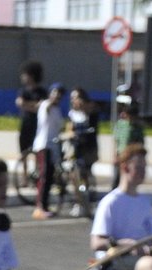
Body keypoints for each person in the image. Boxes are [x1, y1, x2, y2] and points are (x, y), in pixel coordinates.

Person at [32, 82, 64, 219]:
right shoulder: (46, 105)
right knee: (44, 177)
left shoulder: (58, 109)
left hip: (53, 146)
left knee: (50, 177)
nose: (57, 96)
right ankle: (39, 207)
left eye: (60, 93)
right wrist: (49, 101)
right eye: (55, 92)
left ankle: (44, 205)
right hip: (44, 145)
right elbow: (46, 109)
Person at [65, 89, 97, 216]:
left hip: (87, 150)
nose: (74, 101)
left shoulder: (89, 114)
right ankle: (78, 202)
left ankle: (87, 203)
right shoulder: (72, 114)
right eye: (72, 98)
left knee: (84, 176)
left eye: (76, 98)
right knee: (74, 177)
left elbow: (93, 132)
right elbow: (68, 129)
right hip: (75, 149)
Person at [16, 62, 44, 181]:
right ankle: (25, 175)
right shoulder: (23, 91)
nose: (23, 77)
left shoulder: (41, 92)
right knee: (24, 151)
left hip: (37, 125)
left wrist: (27, 105)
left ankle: (38, 174)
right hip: (25, 123)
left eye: (25, 75)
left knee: (37, 151)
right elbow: (19, 103)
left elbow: (40, 106)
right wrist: (32, 105)